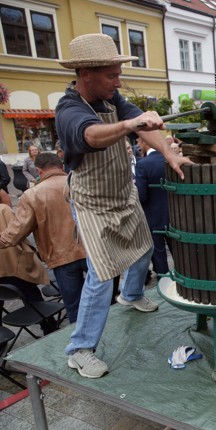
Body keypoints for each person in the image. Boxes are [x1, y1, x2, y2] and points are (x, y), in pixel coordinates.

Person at [55, 33, 191, 378]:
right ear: (86, 73)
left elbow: (146, 128)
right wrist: (129, 125)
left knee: (144, 246)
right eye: (111, 75)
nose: (118, 81)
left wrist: (169, 153)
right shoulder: (69, 109)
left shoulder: (113, 98)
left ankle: (131, 295)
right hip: (92, 203)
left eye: (118, 73)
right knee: (101, 276)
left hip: (122, 193)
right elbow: (91, 136)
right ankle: (80, 349)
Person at [0, 153, 88, 323]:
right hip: (92, 251)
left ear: (39, 171)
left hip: (61, 257)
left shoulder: (32, 194)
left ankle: (82, 344)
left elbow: (15, 233)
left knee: (75, 308)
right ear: (61, 166)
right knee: (103, 300)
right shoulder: (82, 184)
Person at [0, 204, 57, 335]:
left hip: (5, 269)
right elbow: (19, 233)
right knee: (32, 296)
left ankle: (2, 337)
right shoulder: (3, 209)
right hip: (14, 265)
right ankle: (48, 326)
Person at [135, 137, 171, 277]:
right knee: (177, 249)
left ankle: (163, 280)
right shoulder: (169, 160)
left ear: (145, 141)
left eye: (138, 140)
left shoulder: (143, 164)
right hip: (175, 215)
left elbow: (141, 195)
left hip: (153, 216)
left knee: (159, 252)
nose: (137, 144)